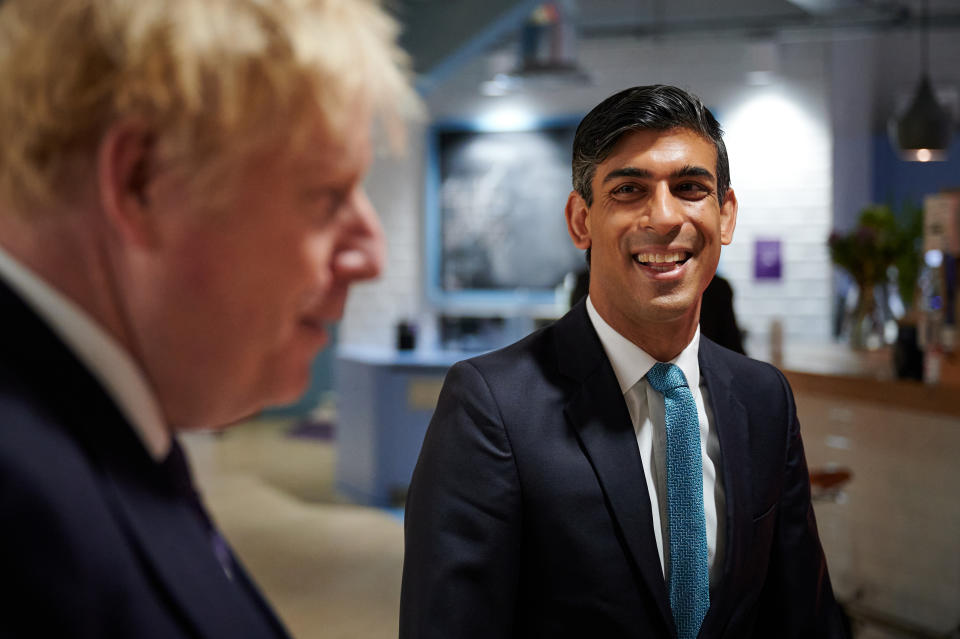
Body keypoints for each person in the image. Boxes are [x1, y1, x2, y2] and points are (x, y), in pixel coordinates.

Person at [0, 0, 412, 637]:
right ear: (144, 179)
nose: (372, 256)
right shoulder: (27, 521)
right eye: (328, 195)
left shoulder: (104, 426)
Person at [400, 85, 846, 638]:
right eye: (630, 190)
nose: (663, 218)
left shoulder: (764, 399)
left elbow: (804, 617)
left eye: (689, 188)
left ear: (725, 216)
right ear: (580, 219)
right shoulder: (492, 406)